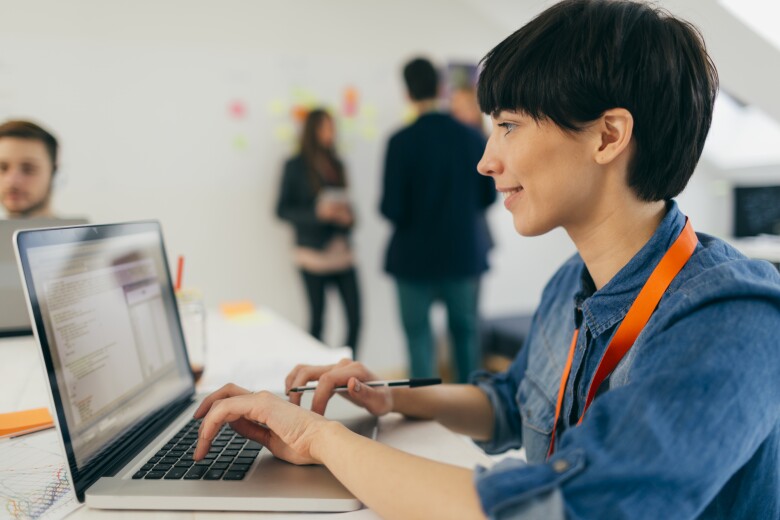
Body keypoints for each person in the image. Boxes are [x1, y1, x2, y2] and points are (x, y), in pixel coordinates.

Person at [195, 1, 780, 518]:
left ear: (607, 137)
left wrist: (318, 436)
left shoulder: (731, 319)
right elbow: (509, 403)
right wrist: (393, 396)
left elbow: (561, 509)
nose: (486, 160)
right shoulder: (572, 284)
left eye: (507, 126)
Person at [380, 57, 496, 383]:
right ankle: (470, 415)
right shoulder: (472, 139)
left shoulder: (399, 142)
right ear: (441, 88)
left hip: (413, 260)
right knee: (465, 336)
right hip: (463, 255)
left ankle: (423, 415)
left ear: (407, 93)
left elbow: (392, 209)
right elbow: (488, 198)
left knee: (418, 340)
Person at [276, 108, 361, 356]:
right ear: (312, 131)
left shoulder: (337, 164)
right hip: (312, 254)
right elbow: (281, 210)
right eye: (325, 128)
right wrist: (317, 214)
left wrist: (347, 217)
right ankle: (316, 373)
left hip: (341, 252)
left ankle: (346, 369)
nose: (330, 133)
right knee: (317, 320)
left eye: (332, 128)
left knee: (356, 318)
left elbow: (349, 207)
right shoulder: (294, 166)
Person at [0, 120, 59, 218]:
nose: (12, 181)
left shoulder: (87, 233)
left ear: (53, 172)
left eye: (28, 169)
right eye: (2, 168)